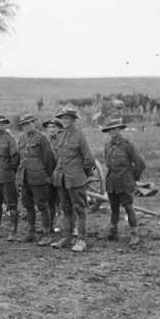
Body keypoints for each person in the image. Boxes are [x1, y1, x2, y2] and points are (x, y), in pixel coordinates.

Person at [51, 107, 95, 253]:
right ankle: (67, 237)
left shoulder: (79, 136)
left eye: (68, 118)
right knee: (66, 209)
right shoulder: (60, 135)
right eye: (63, 118)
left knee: (79, 210)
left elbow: (89, 159)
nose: (65, 121)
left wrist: (82, 174)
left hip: (75, 179)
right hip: (62, 178)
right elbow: (59, 156)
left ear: (73, 120)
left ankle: (81, 240)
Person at [101, 116, 145, 246]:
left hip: (125, 182)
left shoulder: (128, 145)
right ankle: (113, 231)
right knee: (114, 208)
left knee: (128, 207)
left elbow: (140, 163)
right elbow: (107, 163)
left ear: (120, 129)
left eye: (115, 129)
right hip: (112, 183)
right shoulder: (107, 146)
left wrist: (134, 178)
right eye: (110, 130)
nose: (112, 132)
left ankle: (134, 234)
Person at [16, 113, 56, 245]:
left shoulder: (42, 138)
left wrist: (47, 176)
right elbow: (21, 158)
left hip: (39, 177)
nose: (26, 127)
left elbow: (49, 159)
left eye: (28, 124)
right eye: (23, 125)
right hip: (25, 177)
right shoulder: (21, 139)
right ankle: (31, 232)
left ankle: (47, 234)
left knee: (42, 205)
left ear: (33, 123)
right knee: (28, 205)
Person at [0, 114, 20, 241]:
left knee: (11, 204)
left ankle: (13, 230)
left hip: (6, 177)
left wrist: (9, 170)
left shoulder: (9, 139)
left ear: (4, 124)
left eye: (0, 123)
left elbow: (15, 157)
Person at [42, 117, 63, 232]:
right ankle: (50, 225)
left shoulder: (63, 140)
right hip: (49, 177)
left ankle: (63, 225)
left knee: (63, 202)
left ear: (59, 128)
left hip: (61, 175)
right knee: (50, 201)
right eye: (49, 127)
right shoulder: (44, 141)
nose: (51, 129)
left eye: (54, 127)